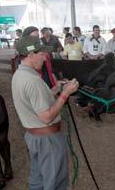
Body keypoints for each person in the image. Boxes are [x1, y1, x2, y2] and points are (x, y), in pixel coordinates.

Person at [12, 35, 79, 190]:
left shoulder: (20, 75)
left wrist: (55, 89)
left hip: (34, 137)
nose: (45, 56)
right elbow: (47, 116)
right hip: (48, 141)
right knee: (54, 182)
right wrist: (65, 94)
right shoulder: (33, 81)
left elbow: (34, 101)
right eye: (41, 53)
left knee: (38, 179)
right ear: (30, 55)